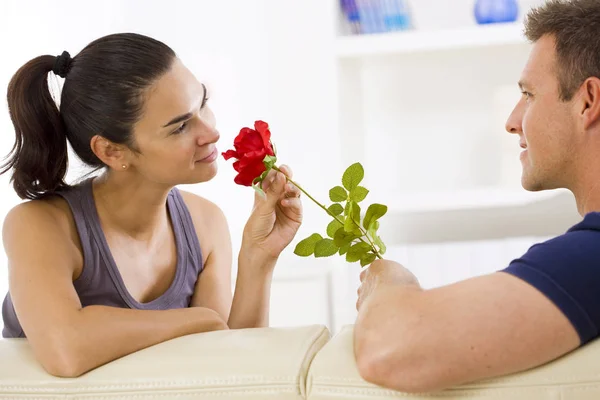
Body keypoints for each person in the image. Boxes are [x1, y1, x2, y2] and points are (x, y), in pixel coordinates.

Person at [0, 33, 303, 378]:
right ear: (112, 151)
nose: (210, 132)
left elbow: (226, 368)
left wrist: (258, 258)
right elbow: (65, 351)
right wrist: (199, 319)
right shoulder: (39, 226)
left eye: (202, 103)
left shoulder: (205, 223)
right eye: (180, 127)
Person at [354, 0, 600, 393]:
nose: (512, 120)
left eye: (529, 94)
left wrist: (389, 281)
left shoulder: (592, 256)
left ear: (588, 101)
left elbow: (387, 348)